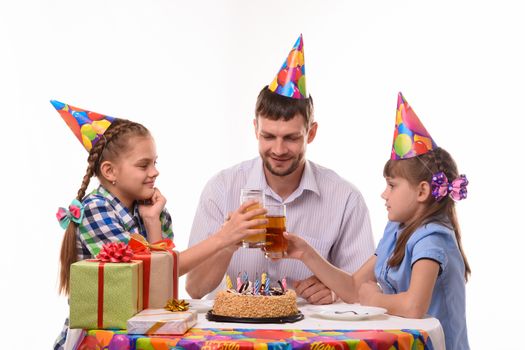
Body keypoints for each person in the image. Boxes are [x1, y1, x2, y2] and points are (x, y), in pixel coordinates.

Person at [51, 101, 266, 350]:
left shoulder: (153, 210)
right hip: (100, 339)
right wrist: (224, 237)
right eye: (144, 165)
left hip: (140, 334)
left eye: (155, 162)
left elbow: (160, 282)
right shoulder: (96, 209)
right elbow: (137, 274)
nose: (154, 172)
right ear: (110, 171)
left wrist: (152, 221)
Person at [186, 34, 375, 304]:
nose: (278, 149)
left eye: (291, 138)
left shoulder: (345, 198)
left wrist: (333, 291)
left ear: (311, 133)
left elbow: (365, 289)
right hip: (232, 333)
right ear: (255, 129)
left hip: (309, 336)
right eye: (268, 136)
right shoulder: (221, 188)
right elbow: (194, 289)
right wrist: (227, 241)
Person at [284, 92, 470, 349]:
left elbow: (414, 306)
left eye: (392, 186)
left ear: (422, 191)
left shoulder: (433, 237)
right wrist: (306, 253)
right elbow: (352, 288)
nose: (384, 194)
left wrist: (375, 299)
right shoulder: (397, 230)